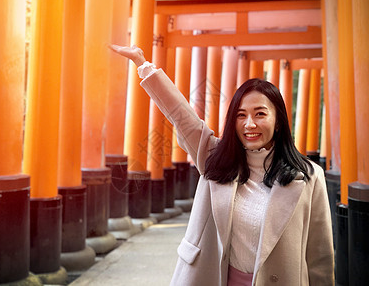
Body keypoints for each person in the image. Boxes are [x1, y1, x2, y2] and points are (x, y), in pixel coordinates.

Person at [109, 44, 334, 286]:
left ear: (278, 121)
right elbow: (181, 115)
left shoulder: (309, 176)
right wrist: (143, 64)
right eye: (241, 115)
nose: (249, 124)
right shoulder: (215, 157)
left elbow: (319, 255)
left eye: (260, 114)